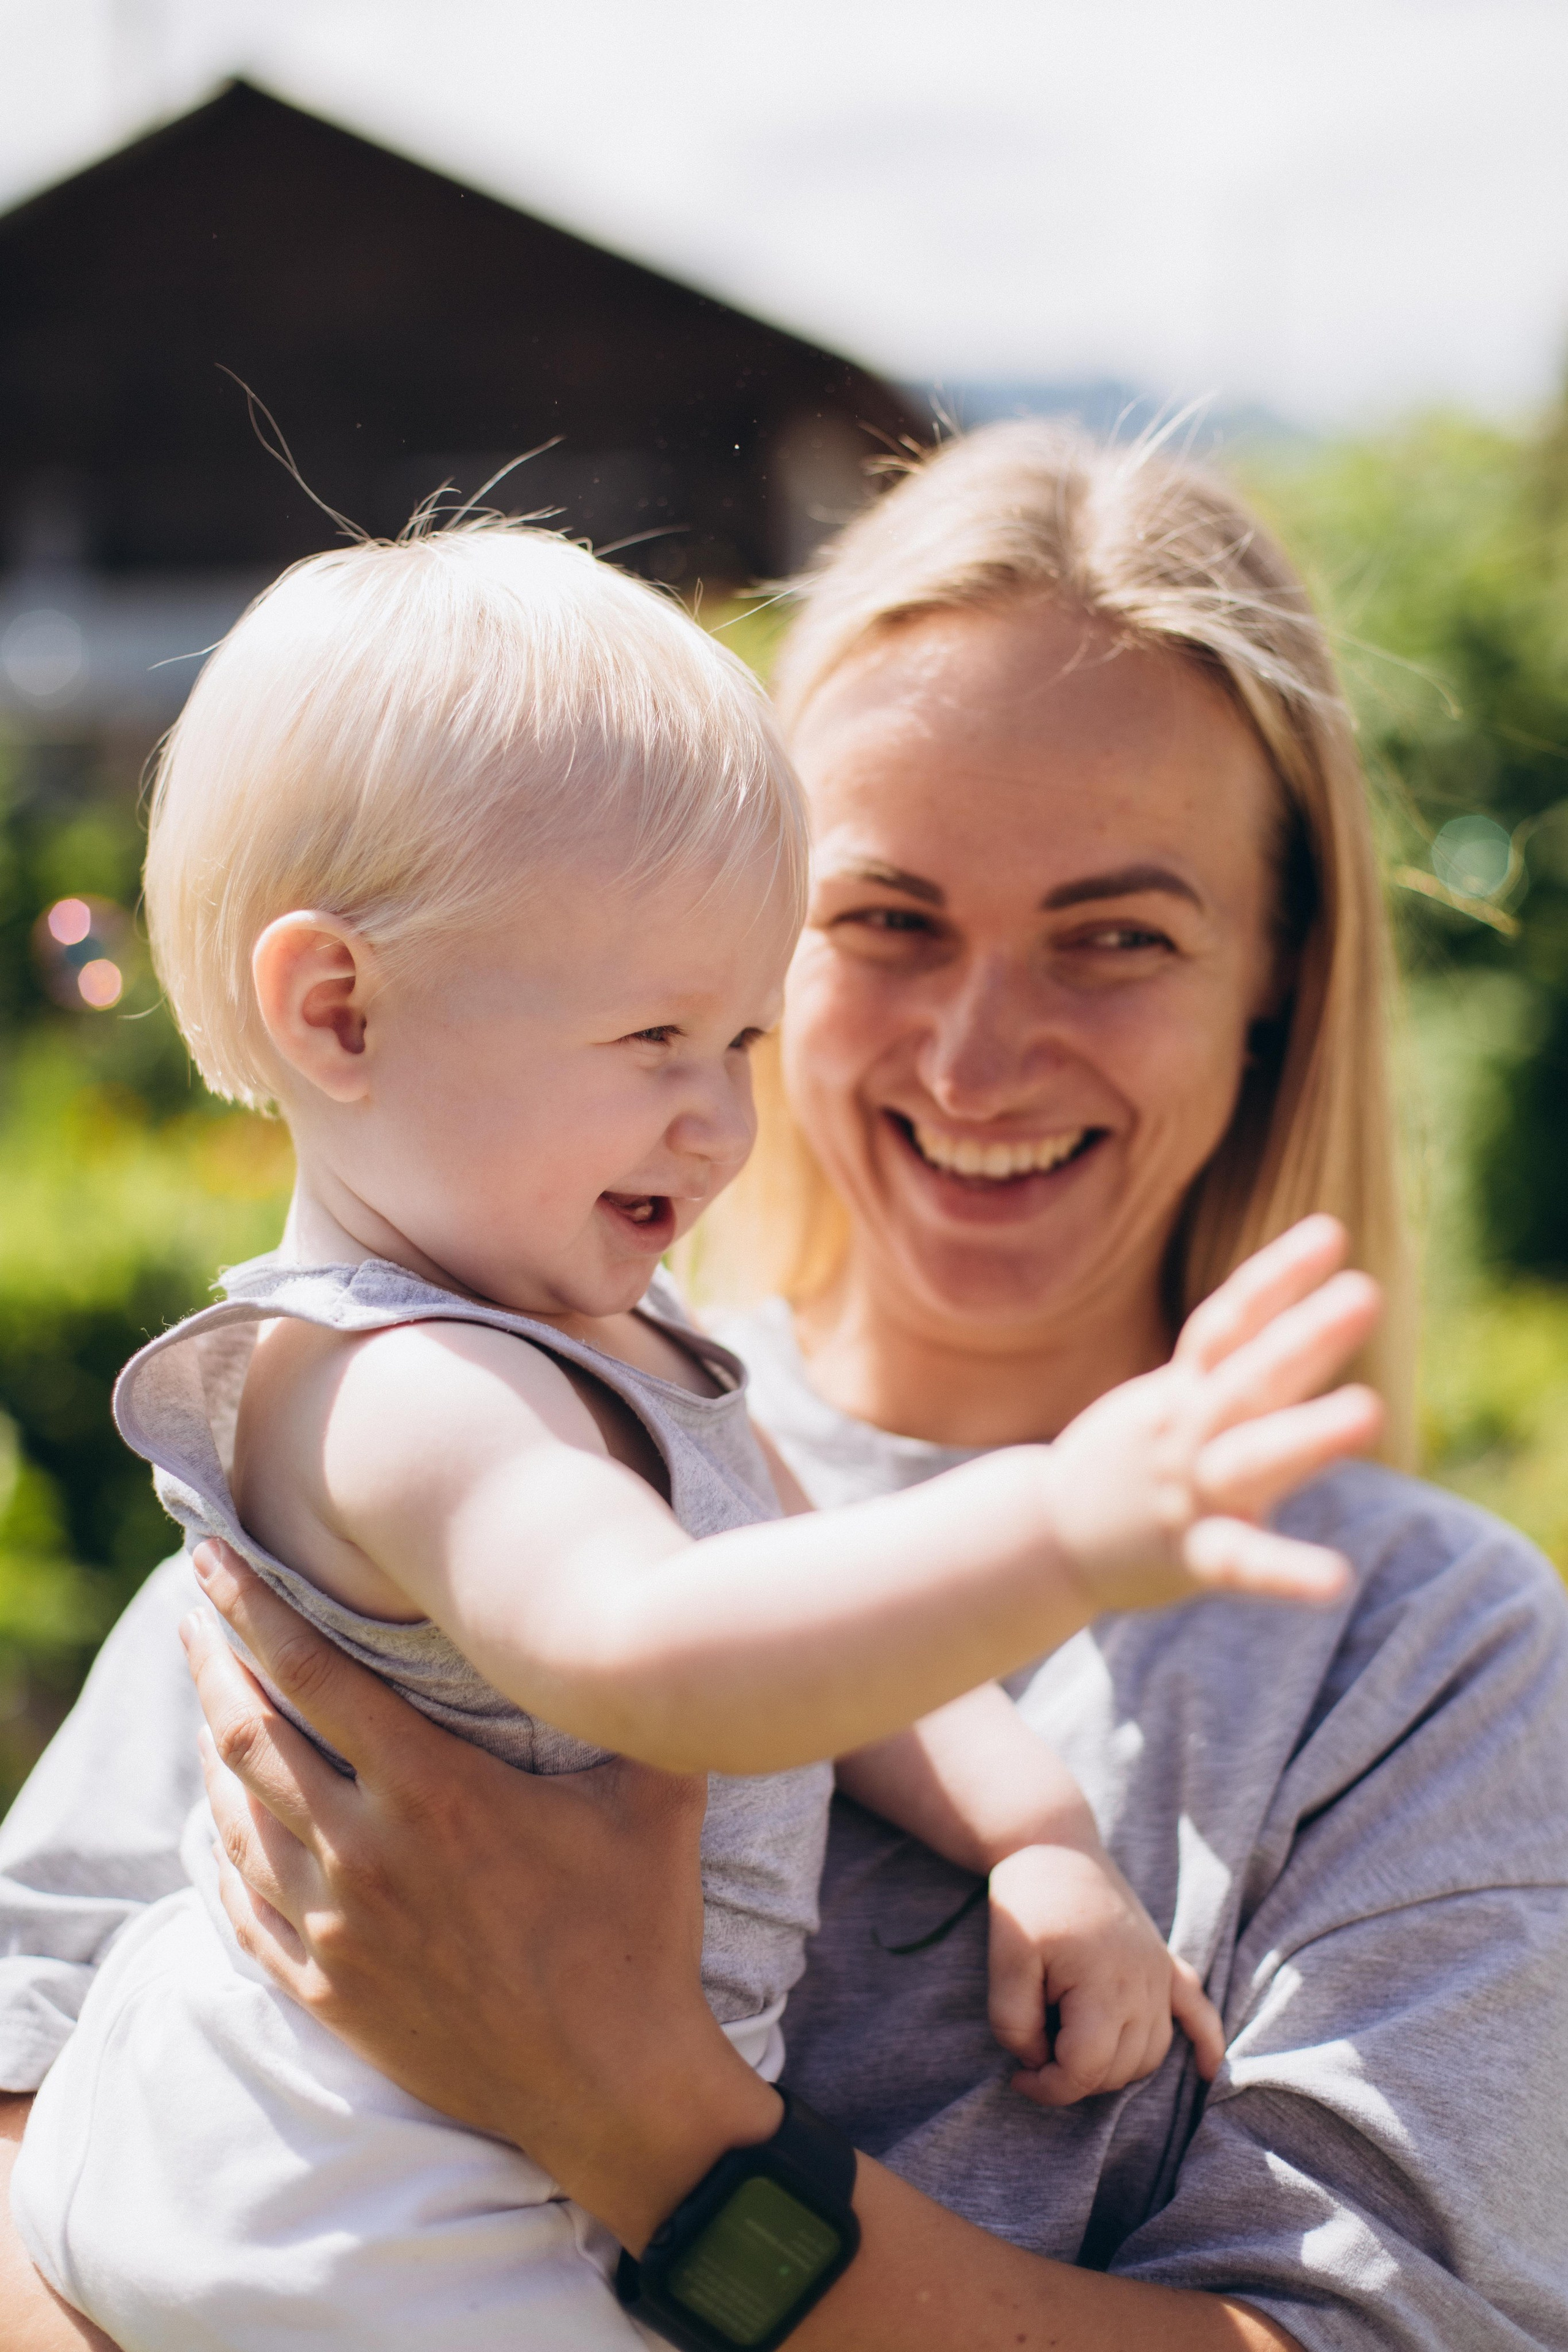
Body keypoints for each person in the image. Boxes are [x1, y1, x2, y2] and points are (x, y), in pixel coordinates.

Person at [4, 421, 1568, 2351]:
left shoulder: (1417, 1655)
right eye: (885, 919)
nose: (979, 1056)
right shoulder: (415, 1412)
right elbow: (38, 2144)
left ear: (1278, 980)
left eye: (1117, 937)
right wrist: (1064, 1527)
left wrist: (654, 2119)